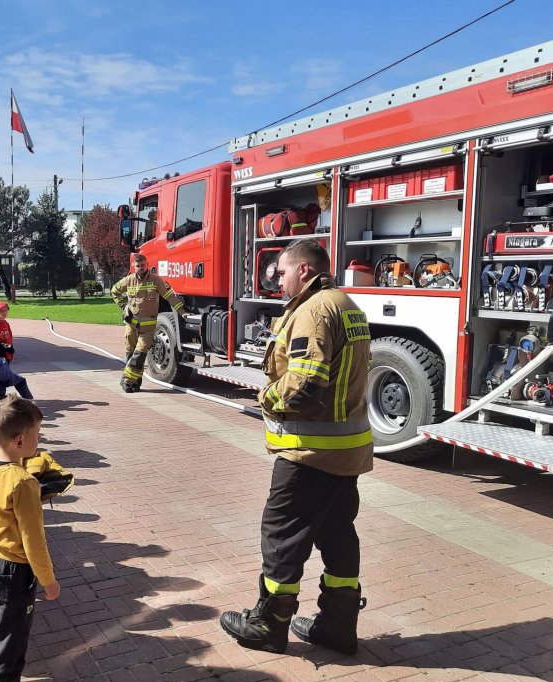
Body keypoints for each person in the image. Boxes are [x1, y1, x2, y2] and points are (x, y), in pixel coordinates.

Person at [219, 239, 372, 655]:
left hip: (311, 452)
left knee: (281, 535)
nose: (278, 280)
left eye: (282, 272)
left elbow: (305, 382)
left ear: (304, 270)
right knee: (337, 532)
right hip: (345, 452)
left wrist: (266, 397)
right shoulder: (346, 305)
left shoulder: (314, 310)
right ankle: (338, 627)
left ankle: (269, 624)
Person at [0, 396, 57, 682]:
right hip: (14, 572)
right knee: (12, 644)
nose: (40, 438)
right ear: (20, 440)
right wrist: (48, 581)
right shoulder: (23, 484)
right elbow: (34, 540)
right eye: (37, 433)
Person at [110, 253, 186, 393]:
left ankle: (126, 380)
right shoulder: (128, 280)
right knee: (130, 355)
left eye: (143, 265)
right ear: (134, 266)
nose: (140, 268)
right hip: (131, 326)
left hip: (148, 328)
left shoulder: (156, 280)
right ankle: (135, 384)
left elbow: (170, 296)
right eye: (138, 266)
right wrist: (123, 306)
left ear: (147, 265)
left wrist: (181, 311)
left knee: (139, 355)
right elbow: (114, 291)